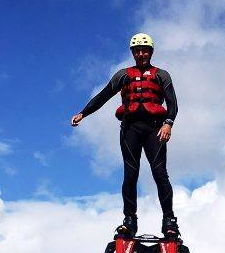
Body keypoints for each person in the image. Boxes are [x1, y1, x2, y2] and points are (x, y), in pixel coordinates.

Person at [71, 32, 180, 241]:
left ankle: (169, 221)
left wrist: (168, 124)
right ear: (132, 53)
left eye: (144, 50)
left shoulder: (161, 75)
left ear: (151, 52)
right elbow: (103, 96)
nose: (141, 54)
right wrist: (83, 113)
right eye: (137, 51)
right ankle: (129, 220)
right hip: (130, 128)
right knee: (130, 174)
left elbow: (173, 103)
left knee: (160, 173)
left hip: (155, 128)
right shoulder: (123, 74)